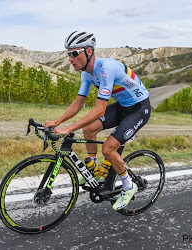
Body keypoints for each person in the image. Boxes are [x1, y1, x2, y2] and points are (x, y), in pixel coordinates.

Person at [44, 31, 151, 210]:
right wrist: (57, 122)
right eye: (68, 54)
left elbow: (99, 109)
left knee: (108, 148)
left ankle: (128, 185)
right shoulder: (87, 73)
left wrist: (69, 128)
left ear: (88, 51)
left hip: (139, 109)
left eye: (73, 53)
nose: (70, 59)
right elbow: (78, 103)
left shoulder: (106, 68)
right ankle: (92, 170)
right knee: (89, 130)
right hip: (122, 106)